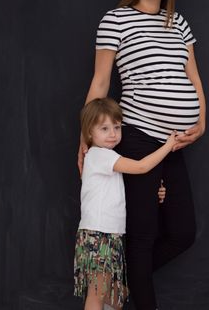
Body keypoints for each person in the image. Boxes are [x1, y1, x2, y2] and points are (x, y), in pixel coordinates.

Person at [77, 0, 206, 309]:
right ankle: (127, 287)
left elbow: (193, 78)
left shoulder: (178, 22)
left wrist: (202, 120)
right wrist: (85, 138)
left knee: (181, 233)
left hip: (173, 144)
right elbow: (101, 82)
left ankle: (121, 282)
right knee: (143, 237)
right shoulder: (115, 19)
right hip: (136, 136)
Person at [74, 98, 177, 310]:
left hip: (110, 235)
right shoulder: (99, 155)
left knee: (116, 297)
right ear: (89, 134)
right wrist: (168, 145)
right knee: (97, 295)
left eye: (117, 127)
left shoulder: (108, 157)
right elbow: (140, 167)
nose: (112, 133)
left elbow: (121, 191)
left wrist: (154, 192)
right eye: (104, 128)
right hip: (99, 235)